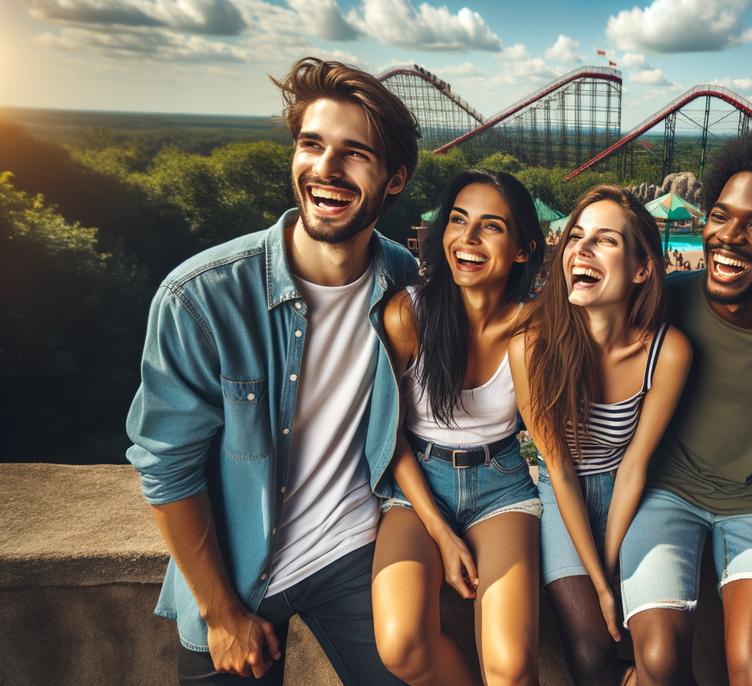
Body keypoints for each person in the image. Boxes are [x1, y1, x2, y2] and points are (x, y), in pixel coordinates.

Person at [125, 58, 420, 684]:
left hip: (354, 553)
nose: (325, 170)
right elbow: (165, 464)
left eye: (354, 154)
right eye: (311, 145)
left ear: (395, 180)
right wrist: (219, 610)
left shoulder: (408, 283)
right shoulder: (199, 297)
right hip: (233, 571)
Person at [618, 130, 752, 685]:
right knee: (660, 664)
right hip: (666, 492)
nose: (729, 237)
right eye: (721, 216)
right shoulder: (669, 299)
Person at [372, 169, 547, 686]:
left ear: (521, 249)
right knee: (402, 647)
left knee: (512, 669)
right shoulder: (409, 314)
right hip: (416, 485)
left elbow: (548, 438)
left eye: (490, 227)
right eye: (457, 221)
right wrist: (441, 533)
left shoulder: (533, 326)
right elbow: (389, 434)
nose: (467, 240)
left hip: (502, 485)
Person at [510, 186, 691, 686]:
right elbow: (559, 469)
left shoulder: (667, 352)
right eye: (576, 237)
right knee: (590, 652)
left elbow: (634, 467)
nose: (580, 250)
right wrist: (598, 581)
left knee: (649, 646)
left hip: (629, 494)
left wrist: (610, 567)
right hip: (558, 493)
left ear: (641, 269)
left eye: (604, 240)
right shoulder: (531, 345)